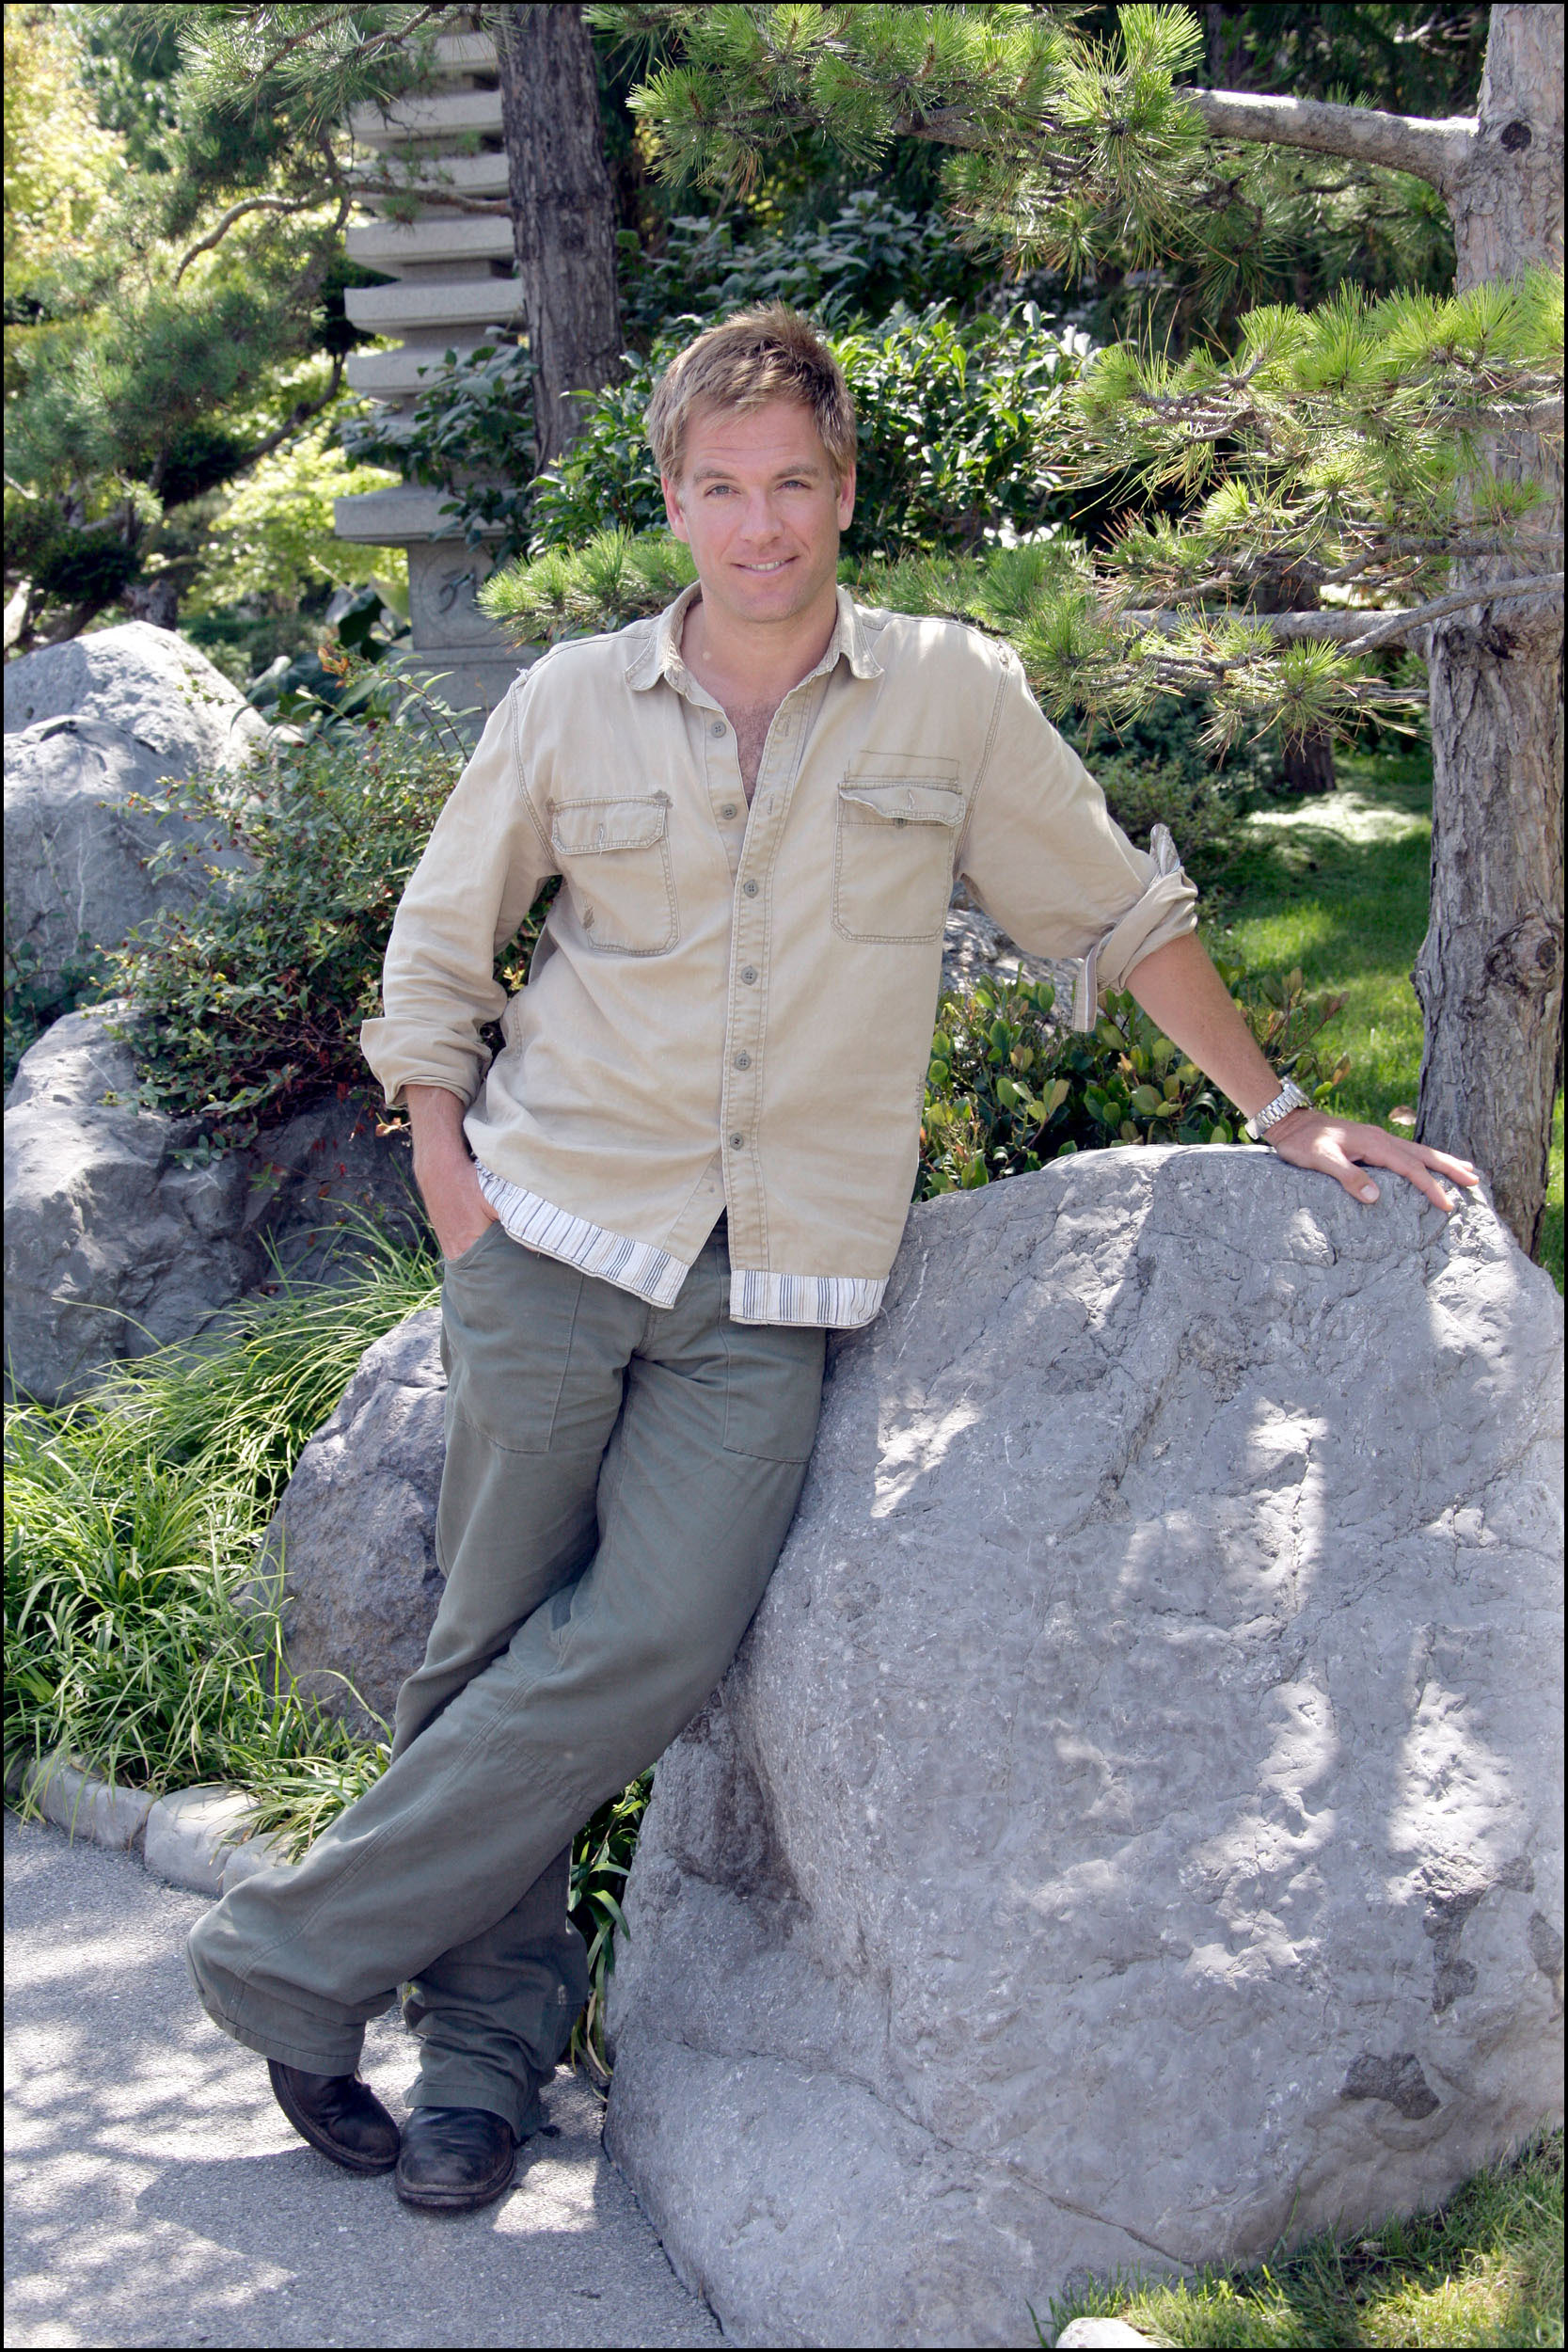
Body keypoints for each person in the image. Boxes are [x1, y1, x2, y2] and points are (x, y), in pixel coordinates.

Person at [186, 306, 1479, 2214]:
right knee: (490, 1646)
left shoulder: (950, 696)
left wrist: (1282, 1110)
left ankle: (288, 1955)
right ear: (673, 501)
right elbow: (439, 953)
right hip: (551, 1231)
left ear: (844, 489)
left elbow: (1118, 910)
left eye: (793, 482)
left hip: (772, 1280)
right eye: (722, 487)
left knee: (649, 1640)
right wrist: (450, 1183)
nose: (761, 524)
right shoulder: (567, 701)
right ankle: (479, 2066)